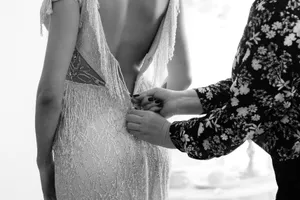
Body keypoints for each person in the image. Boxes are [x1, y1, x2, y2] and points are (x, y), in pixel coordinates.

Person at [126, 0, 300, 199]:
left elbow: (240, 118)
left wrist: (169, 134)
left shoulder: (281, 7)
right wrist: (183, 100)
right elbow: (266, 83)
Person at [35, 0, 191, 199]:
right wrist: (149, 102)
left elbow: (49, 95)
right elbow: (183, 78)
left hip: (88, 144)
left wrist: (44, 163)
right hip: (146, 134)